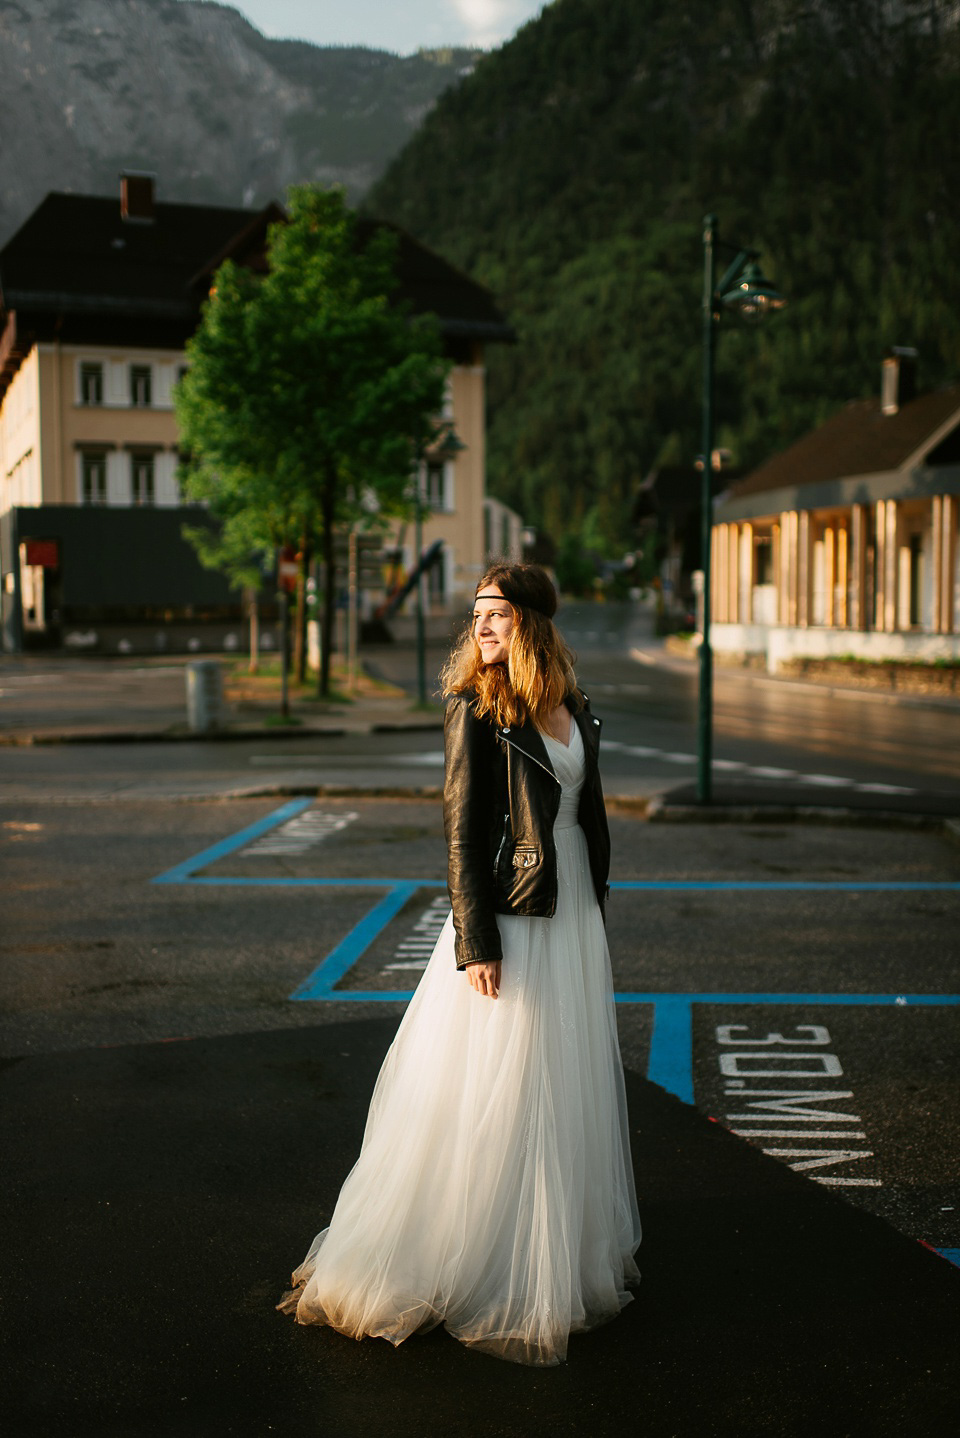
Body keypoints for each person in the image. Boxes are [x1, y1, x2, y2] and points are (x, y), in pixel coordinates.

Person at [277, 562, 641, 1366]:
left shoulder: (569, 707)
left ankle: (551, 1252)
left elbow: (579, 815)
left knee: (559, 1077)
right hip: (512, 915)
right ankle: (464, 1257)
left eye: (498, 613)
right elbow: (463, 836)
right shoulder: (477, 709)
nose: (481, 625)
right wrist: (476, 943)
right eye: (476, 612)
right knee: (495, 1084)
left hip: (570, 900)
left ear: (535, 626)